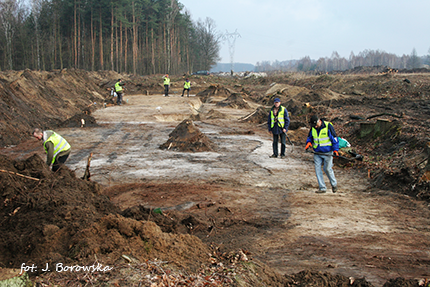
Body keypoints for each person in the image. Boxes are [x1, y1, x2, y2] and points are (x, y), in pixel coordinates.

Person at [305, 115, 339, 193]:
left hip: (327, 152)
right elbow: (310, 137)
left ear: (319, 121)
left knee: (327, 169)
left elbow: (335, 139)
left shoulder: (328, 126)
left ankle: (334, 184)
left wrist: (335, 150)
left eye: (316, 125)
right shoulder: (313, 127)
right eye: (314, 126)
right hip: (317, 152)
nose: (315, 127)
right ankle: (322, 187)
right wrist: (309, 142)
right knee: (317, 170)